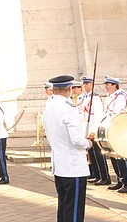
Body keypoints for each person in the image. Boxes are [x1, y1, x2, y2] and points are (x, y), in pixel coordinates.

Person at [42, 75, 91, 222]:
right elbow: (76, 140)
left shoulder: (48, 108)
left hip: (59, 165)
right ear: (69, 89)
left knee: (64, 206)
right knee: (74, 208)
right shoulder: (68, 109)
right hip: (73, 166)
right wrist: (88, 143)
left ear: (54, 89)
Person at [104, 75, 127, 193]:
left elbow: (118, 113)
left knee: (122, 157)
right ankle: (120, 180)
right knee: (114, 156)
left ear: (114, 85)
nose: (106, 87)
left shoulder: (120, 96)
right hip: (111, 128)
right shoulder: (111, 96)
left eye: (108, 84)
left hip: (120, 128)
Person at [79, 76, 110, 186]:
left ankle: (104, 176)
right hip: (86, 130)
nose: (85, 86)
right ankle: (97, 175)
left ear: (92, 84)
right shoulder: (85, 98)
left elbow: (98, 116)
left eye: (87, 84)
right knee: (92, 155)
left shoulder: (95, 98)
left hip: (93, 130)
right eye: (84, 84)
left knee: (98, 154)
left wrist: (93, 131)